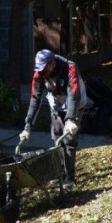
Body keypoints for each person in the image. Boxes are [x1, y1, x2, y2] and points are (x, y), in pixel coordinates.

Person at [18, 49, 88, 190]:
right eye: (40, 69)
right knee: (57, 137)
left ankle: (69, 178)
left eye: (45, 69)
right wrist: (27, 126)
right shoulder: (39, 73)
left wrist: (70, 119)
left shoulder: (70, 67)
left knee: (68, 140)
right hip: (56, 105)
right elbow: (34, 100)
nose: (42, 73)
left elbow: (73, 94)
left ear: (52, 64)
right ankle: (60, 172)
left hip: (74, 105)